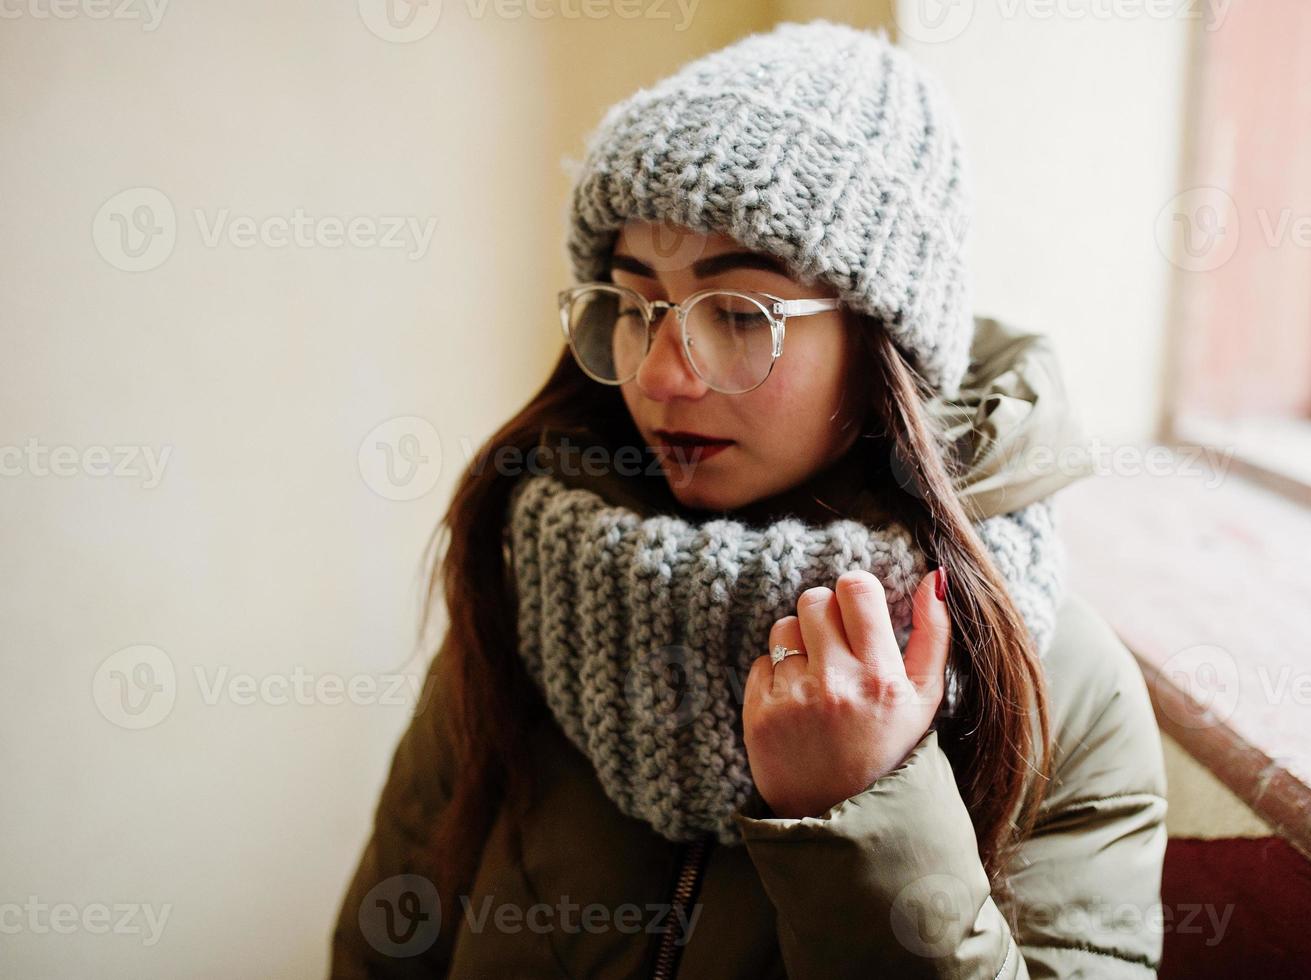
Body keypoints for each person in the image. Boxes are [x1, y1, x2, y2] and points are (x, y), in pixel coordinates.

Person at [332, 19, 1167, 979]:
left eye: (738, 315)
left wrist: (871, 811)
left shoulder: (1055, 679)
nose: (662, 375)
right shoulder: (536, 594)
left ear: (882, 342)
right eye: (638, 305)